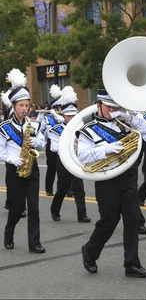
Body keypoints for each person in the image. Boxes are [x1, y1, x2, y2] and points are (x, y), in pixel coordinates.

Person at [78, 89, 146, 277]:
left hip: (128, 176)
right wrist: (106, 149)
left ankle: (132, 264)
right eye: (109, 106)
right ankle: (90, 251)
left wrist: (127, 117)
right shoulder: (89, 129)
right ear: (98, 105)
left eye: (115, 106)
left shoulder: (124, 124)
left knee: (132, 219)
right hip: (106, 179)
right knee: (109, 221)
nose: (112, 110)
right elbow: (82, 155)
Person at [1, 69, 45, 253]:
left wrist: (37, 142)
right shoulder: (4, 127)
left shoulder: (33, 124)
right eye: (21, 105)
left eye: (27, 105)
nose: (25, 108)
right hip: (15, 171)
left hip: (32, 170)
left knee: (34, 208)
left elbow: (43, 142)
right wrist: (14, 160)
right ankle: (9, 232)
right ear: (14, 105)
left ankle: (34, 243)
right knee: (17, 209)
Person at [49, 86, 91, 223]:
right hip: (63, 161)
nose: (71, 118)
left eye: (74, 116)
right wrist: (66, 144)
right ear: (63, 116)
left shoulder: (81, 129)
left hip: (77, 160)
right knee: (63, 188)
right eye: (69, 116)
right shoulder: (57, 129)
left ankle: (82, 214)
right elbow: (54, 147)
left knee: (79, 188)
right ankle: (55, 210)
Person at [39, 84, 64, 197]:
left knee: (64, 169)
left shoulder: (64, 118)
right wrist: (40, 117)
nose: (62, 109)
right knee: (52, 169)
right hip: (51, 145)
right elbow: (40, 130)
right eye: (60, 107)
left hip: (63, 145)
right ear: (55, 107)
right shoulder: (47, 118)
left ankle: (64, 189)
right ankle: (49, 189)